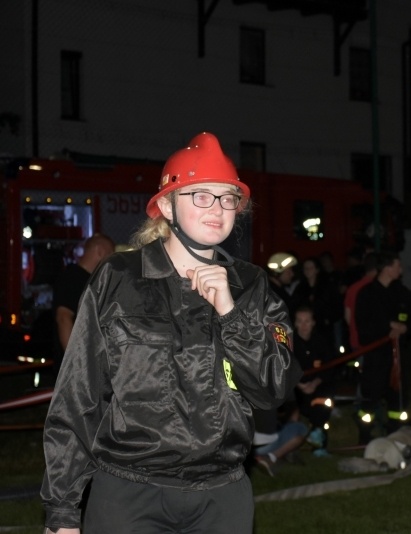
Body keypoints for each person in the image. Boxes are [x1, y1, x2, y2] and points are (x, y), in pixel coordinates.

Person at [40, 132, 302, 534]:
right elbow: (79, 395)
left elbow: (273, 388)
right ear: (166, 205)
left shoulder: (252, 287)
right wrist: (62, 510)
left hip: (222, 497)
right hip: (128, 496)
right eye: (200, 194)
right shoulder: (119, 278)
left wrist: (230, 314)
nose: (217, 208)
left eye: (227, 197)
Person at [354, 250, 411, 444]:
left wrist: (404, 328)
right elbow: (363, 326)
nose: (401, 269)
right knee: (370, 399)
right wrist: (388, 327)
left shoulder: (402, 293)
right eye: (398, 265)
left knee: (398, 399)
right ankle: (365, 436)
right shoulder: (367, 294)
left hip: (398, 359)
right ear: (387, 268)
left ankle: (394, 436)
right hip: (375, 358)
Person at [51, 233, 115, 374]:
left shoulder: (90, 281)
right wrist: (77, 362)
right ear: (100, 251)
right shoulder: (73, 278)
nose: (111, 260)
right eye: (110, 254)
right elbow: (63, 318)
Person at [292, 304, 337, 456]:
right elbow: (282, 368)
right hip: (295, 388)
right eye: (300, 321)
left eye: (307, 321)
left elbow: (328, 366)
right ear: (295, 323)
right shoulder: (288, 342)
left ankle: (319, 441)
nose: (304, 325)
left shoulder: (321, 341)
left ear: (313, 322)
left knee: (325, 400)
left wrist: (314, 383)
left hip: (316, 385)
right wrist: (300, 385)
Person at [343, 251, 378, 352]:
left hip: (356, 340)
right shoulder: (378, 288)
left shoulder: (353, 288)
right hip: (375, 342)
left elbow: (347, 317)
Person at [266, 251, 299, 318]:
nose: (292, 274)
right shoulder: (273, 295)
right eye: (288, 271)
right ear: (276, 273)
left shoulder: (276, 291)